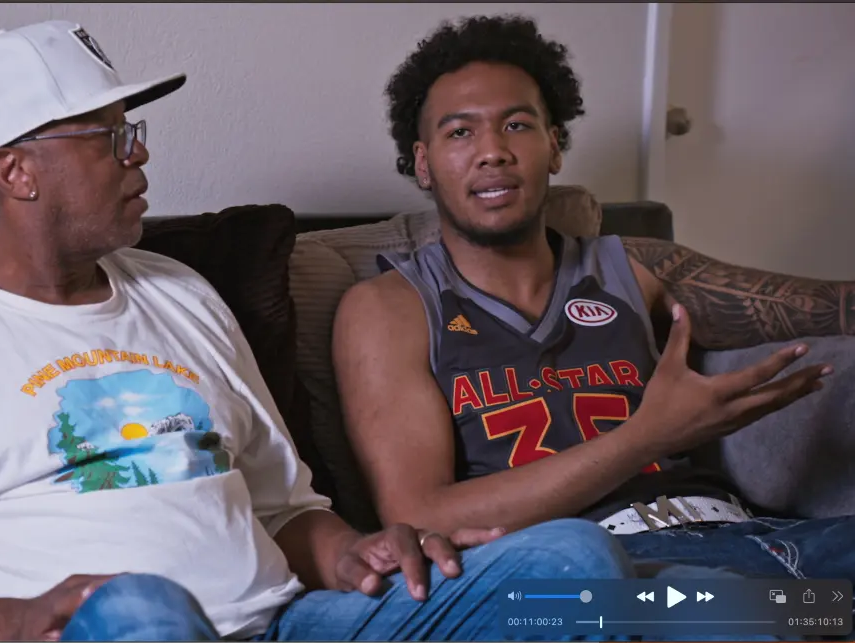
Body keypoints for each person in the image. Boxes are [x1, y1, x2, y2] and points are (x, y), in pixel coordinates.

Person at [0, 20, 655, 643]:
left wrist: (350, 552)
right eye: (111, 137)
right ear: (15, 171)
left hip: (293, 624)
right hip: (118, 629)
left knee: (570, 561)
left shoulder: (182, 295)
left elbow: (284, 507)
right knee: (139, 606)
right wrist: (19, 619)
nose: (141, 154)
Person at [332, 14, 855, 584]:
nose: (493, 152)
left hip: (751, 535)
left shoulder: (630, 268)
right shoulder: (389, 308)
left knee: (807, 601)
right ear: (424, 163)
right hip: (600, 570)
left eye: (517, 125)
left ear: (554, 146)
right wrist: (648, 436)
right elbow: (419, 515)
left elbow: (827, 306)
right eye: (460, 132)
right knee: (759, 612)